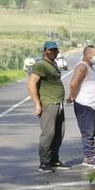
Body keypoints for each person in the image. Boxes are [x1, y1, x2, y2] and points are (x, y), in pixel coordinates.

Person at [26, 41, 67, 173]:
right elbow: (31, 84)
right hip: (48, 104)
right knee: (48, 134)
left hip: (58, 103)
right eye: (50, 50)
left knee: (59, 133)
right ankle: (44, 163)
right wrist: (37, 104)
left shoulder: (53, 64)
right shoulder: (41, 65)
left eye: (55, 50)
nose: (53, 52)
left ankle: (54, 160)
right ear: (44, 51)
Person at [65, 45, 95, 168]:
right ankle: (89, 159)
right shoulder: (82, 67)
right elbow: (73, 84)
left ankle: (90, 156)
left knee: (91, 131)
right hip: (85, 105)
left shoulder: (90, 67)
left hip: (92, 106)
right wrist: (72, 96)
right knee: (88, 132)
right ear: (87, 54)